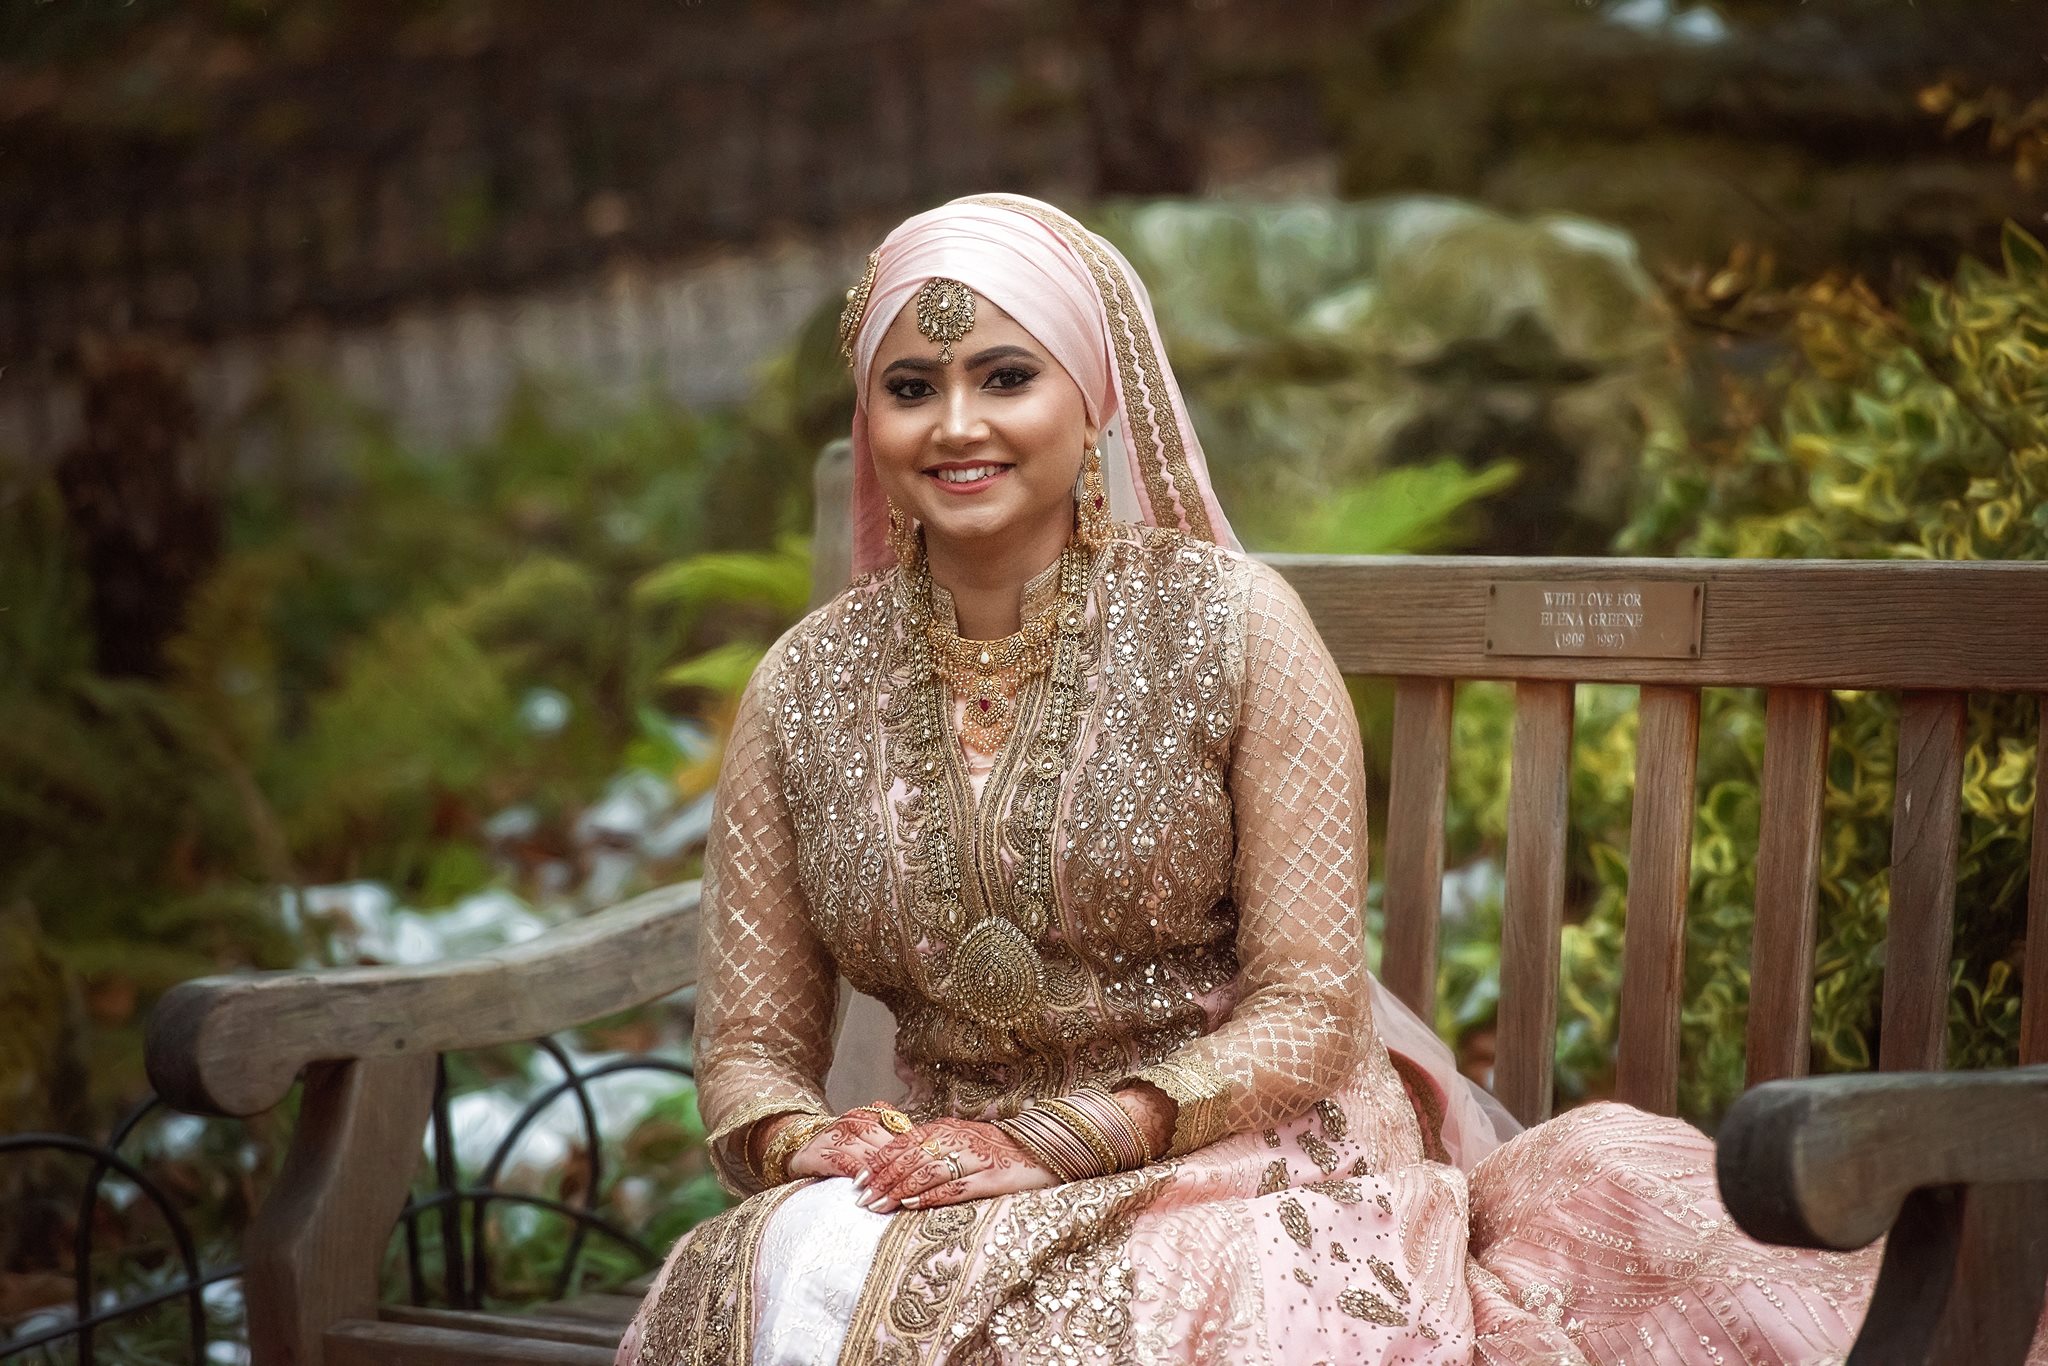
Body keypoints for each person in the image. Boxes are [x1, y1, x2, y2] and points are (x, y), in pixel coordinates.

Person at [615, 193, 1880, 1365]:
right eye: (911, 386)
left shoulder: (1232, 630)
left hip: (1237, 1150)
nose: (956, 424)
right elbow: (749, 1052)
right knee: (751, 1272)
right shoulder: (805, 685)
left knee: (1077, 1315)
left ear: (1095, 394)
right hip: (946, 1170)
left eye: (1005, 376)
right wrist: (810, 1138)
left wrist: (1054, 1139)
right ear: (869, 420)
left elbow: (1304, 1011)